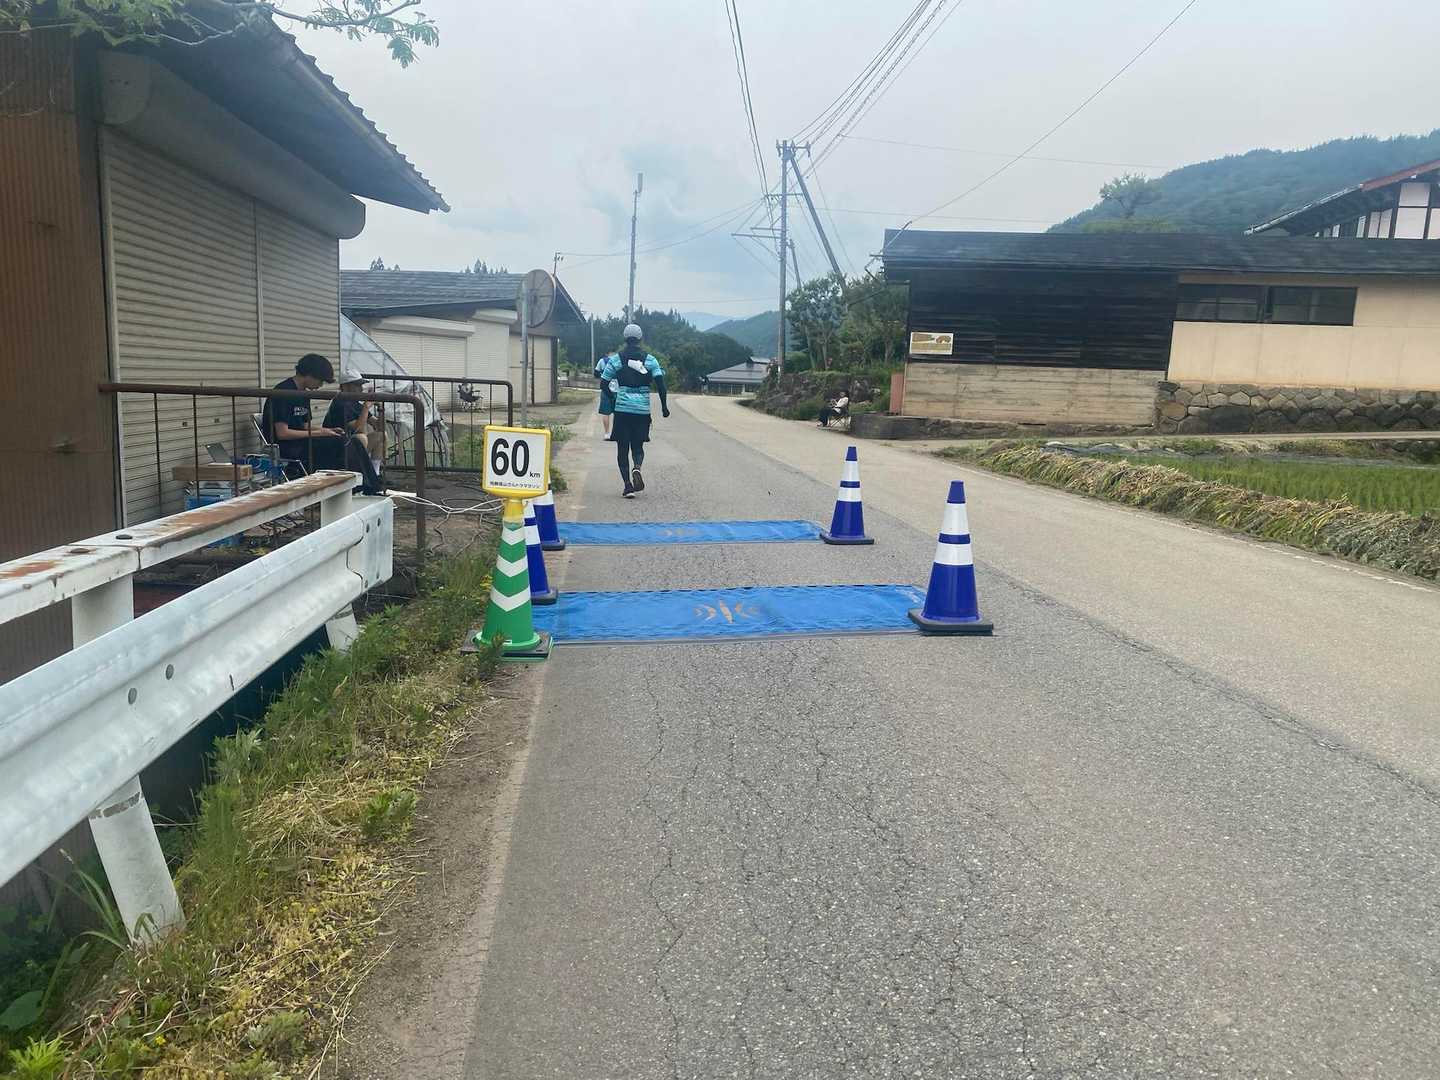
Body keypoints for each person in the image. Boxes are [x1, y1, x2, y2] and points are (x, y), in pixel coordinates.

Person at [262, 353, 385, 494]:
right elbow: (282, 433)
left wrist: (329, 431)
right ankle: (358, 489)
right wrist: (321, 432)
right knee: (342, 444)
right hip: (288, 447)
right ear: (310, 374)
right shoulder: (284, 392)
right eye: (320, 381)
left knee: (352, 441)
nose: (320, 385)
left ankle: (371, 486)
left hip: (302, 442)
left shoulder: (303, 393)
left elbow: (305, 426)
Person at [596, 323, 668, 497]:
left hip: (622, 410)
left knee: (622, 448)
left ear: (625, 338)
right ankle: (637, 467)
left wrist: (613, 398)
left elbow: (603, 383)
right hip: (642, 411)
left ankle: (628, 486)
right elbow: (661, 385)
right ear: (640, 338)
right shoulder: (650, 360)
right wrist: (664, 407)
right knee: (638, 445)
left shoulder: (616, 360)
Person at [324, 369, 387, 475]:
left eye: (361, 385)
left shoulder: (354, 403)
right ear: (345, 386)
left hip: (349, 447)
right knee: (360, 438)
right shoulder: (340, 403)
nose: (361, 389)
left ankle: (375, 474)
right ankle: (360, 474)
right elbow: (359, 429)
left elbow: (379, 427)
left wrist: (380, 408)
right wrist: (366, 406)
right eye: (357, 385)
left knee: (381, 435)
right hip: (337, 449)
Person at [594, 349, 616, 440]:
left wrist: (603, 376)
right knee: (618, 413)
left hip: (605, 388)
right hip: (618, 390)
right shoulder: (619, 360)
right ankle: (616, 433)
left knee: (606, 413)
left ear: (607, 353)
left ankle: (607, 433)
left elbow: (596, 373)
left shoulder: (602, 361)